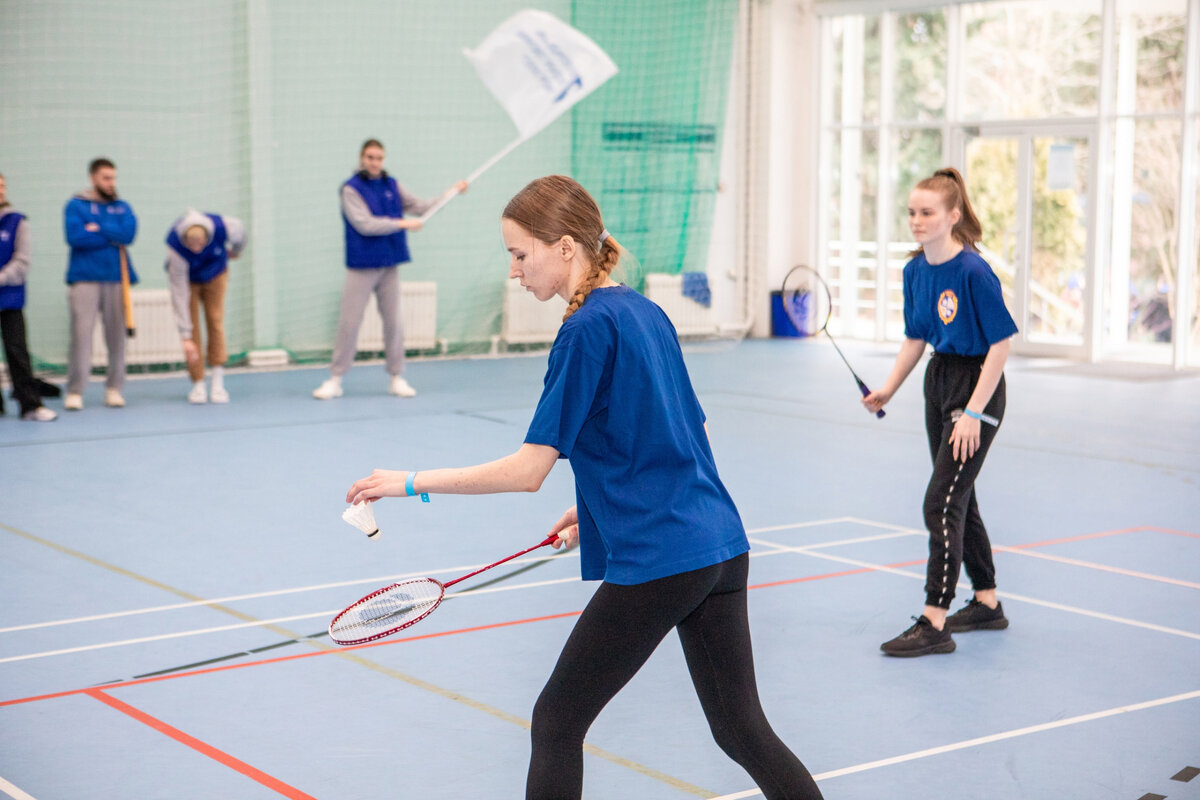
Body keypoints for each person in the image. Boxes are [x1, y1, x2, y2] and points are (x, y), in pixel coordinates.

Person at [346, 175, 824, 800]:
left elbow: (526, 471)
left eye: (520, 255)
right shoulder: (644, 310)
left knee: (557, 721)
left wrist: (408, 482)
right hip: (721, 544)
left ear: (565, 247)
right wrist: (589, 506)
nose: (515, 271)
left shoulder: (585, 330)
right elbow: (684, 433)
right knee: (739, 728)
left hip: (663, 557)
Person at [862, 167, 1018, 658]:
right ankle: (988, 602)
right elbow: (917, 336)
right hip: (940, 381)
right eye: (911, 212)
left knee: (940, 503)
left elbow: (1001, 343)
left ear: (953, 215)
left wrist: (973, 411)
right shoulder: (914, 271)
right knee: (959, 495)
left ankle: (935, 619)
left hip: (978, 387)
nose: (917, 220)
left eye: (927, 212)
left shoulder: (973, 271)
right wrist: (888, 388)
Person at [312, 139, 467, 400]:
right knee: (349, 322)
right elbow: (365, 224)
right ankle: (335, 379)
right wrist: (403, 225)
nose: (375, 162)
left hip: (389, 264)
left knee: (394, 322)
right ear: (362, 158)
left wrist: (451, 192)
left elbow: (420, 206)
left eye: (379, 158)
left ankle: (396, 377)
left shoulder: (392, 185)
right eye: (370, 157)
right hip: (361, 265)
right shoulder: (351, 189)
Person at [63, 157, 138, 410]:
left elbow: (127, 234)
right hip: (85, 278)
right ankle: (75, 391)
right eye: (106, 178)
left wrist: (98, 228)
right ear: (93, 178)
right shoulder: (76, 205)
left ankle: (114, 388)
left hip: (116, 279)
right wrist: (108, 234)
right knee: (81, 336)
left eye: (113, 178)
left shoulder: (122, 206)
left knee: (117, 338)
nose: (111, 183)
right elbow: (75, 237)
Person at [164, 209, 246, 403]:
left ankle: (218, 381)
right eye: (192, 245)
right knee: (192, 330)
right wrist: (185, 335)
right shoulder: (175, 247)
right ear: (185, 240)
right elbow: (179, 293)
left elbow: (241, 235)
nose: (197, 250)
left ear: (206, 238)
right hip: (189, 280)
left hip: (216, 273)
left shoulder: (224, 227)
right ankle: (198, 384)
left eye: (200, 244)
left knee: (215, 319)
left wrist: (235, 251)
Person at [0, 173, 57, 421]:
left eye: (2, 185)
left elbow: (22, 263)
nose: (0, 190)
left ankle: (30, 405)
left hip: (10, 299)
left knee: (17, 351)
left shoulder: (17, 222)